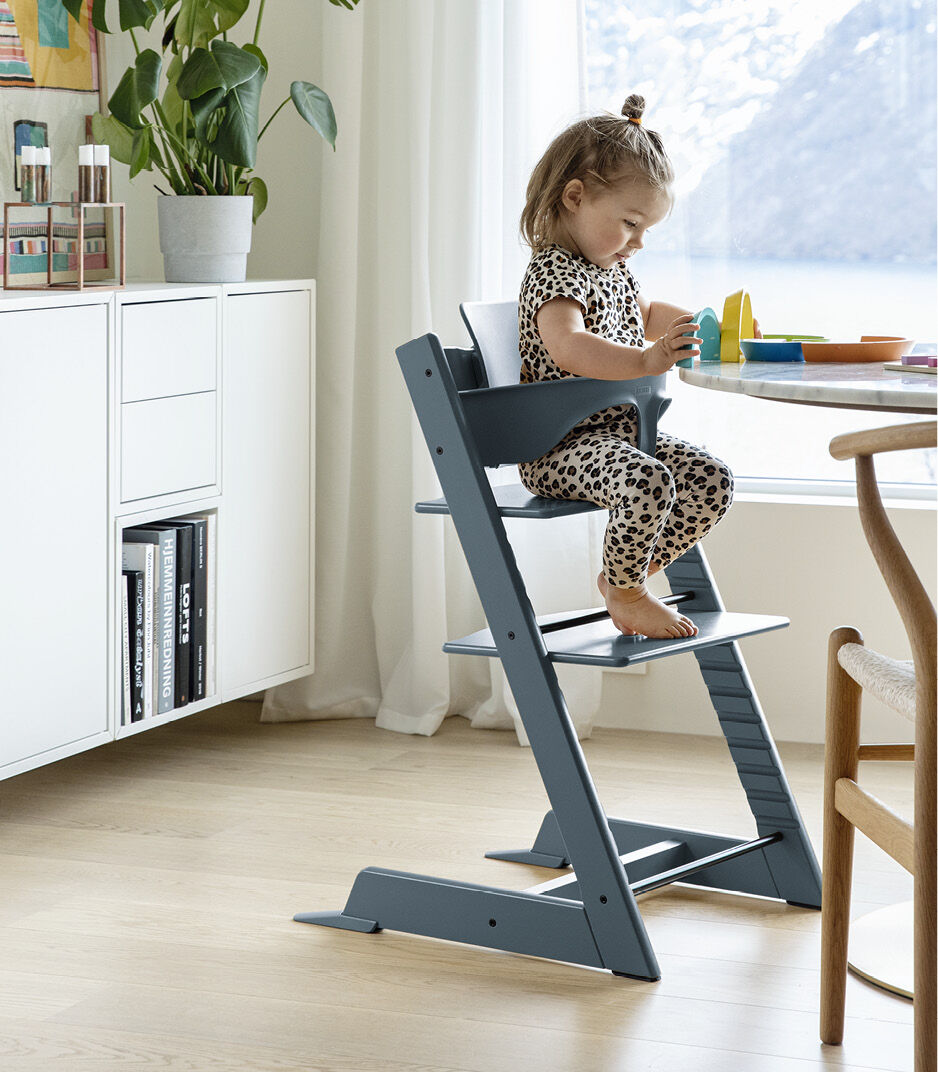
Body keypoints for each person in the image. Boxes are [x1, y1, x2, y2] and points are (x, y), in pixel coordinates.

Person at [518, 93, 748, 639]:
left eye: (647, 231)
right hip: (560, 447)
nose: (638, 242)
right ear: (575, 197)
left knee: (712, 479)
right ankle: (626, 591)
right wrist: (647, 359)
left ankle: (624, 576)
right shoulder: (555, 273)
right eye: (629, 223)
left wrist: (697, 326)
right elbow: (569, 346)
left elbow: (643, 313)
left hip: (622, 436)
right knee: (647, 480)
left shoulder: (609, 269)